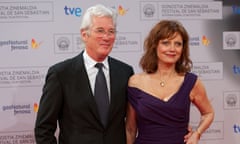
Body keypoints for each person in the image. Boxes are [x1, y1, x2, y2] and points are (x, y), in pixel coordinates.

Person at [34, 4, 134, 144]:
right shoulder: (61, 74)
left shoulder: (125, 72)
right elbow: (43, 128)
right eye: (100, 30)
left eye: (111, 31)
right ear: (84, 34)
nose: (106, 37)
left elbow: (130, 124)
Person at [125, 20, 214, 144]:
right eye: (166, 43)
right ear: (154, 45)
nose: (172, 49)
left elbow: (208, 113)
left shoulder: (191, 82)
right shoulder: (136, 82)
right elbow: (130, 129)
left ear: (183, 48)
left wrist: (197, 133)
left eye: (178, 44)